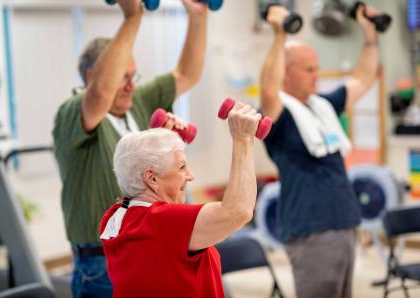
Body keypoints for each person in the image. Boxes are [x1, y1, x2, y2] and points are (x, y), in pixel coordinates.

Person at [52, 0, 208, 296]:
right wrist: (133, 15)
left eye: (133, 76)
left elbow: (186, 74)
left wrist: (198, 18)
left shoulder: (137, 101)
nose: (131, 85)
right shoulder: (72, 111)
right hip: (102, 261)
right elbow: (99, 94)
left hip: (152, 247)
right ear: (91, 76)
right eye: (123, 77)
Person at [259, 3, 380, 298]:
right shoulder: (279, 116)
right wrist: (279, 36)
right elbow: (269, 90)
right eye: (309, 70)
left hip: (344, 224)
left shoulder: (322, 106)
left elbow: (363, 79)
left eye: (316, 68)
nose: (317, 75)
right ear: (286, 74)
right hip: (311, 230)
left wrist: (370, 34)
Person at [99, 102, 262, 297]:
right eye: (182, 167)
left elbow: (159, 262)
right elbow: (238, 211)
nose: (191, 175)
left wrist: (160, 140)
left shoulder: (117, 216)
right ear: (151, 177)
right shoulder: (162, 222)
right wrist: (243, 138)